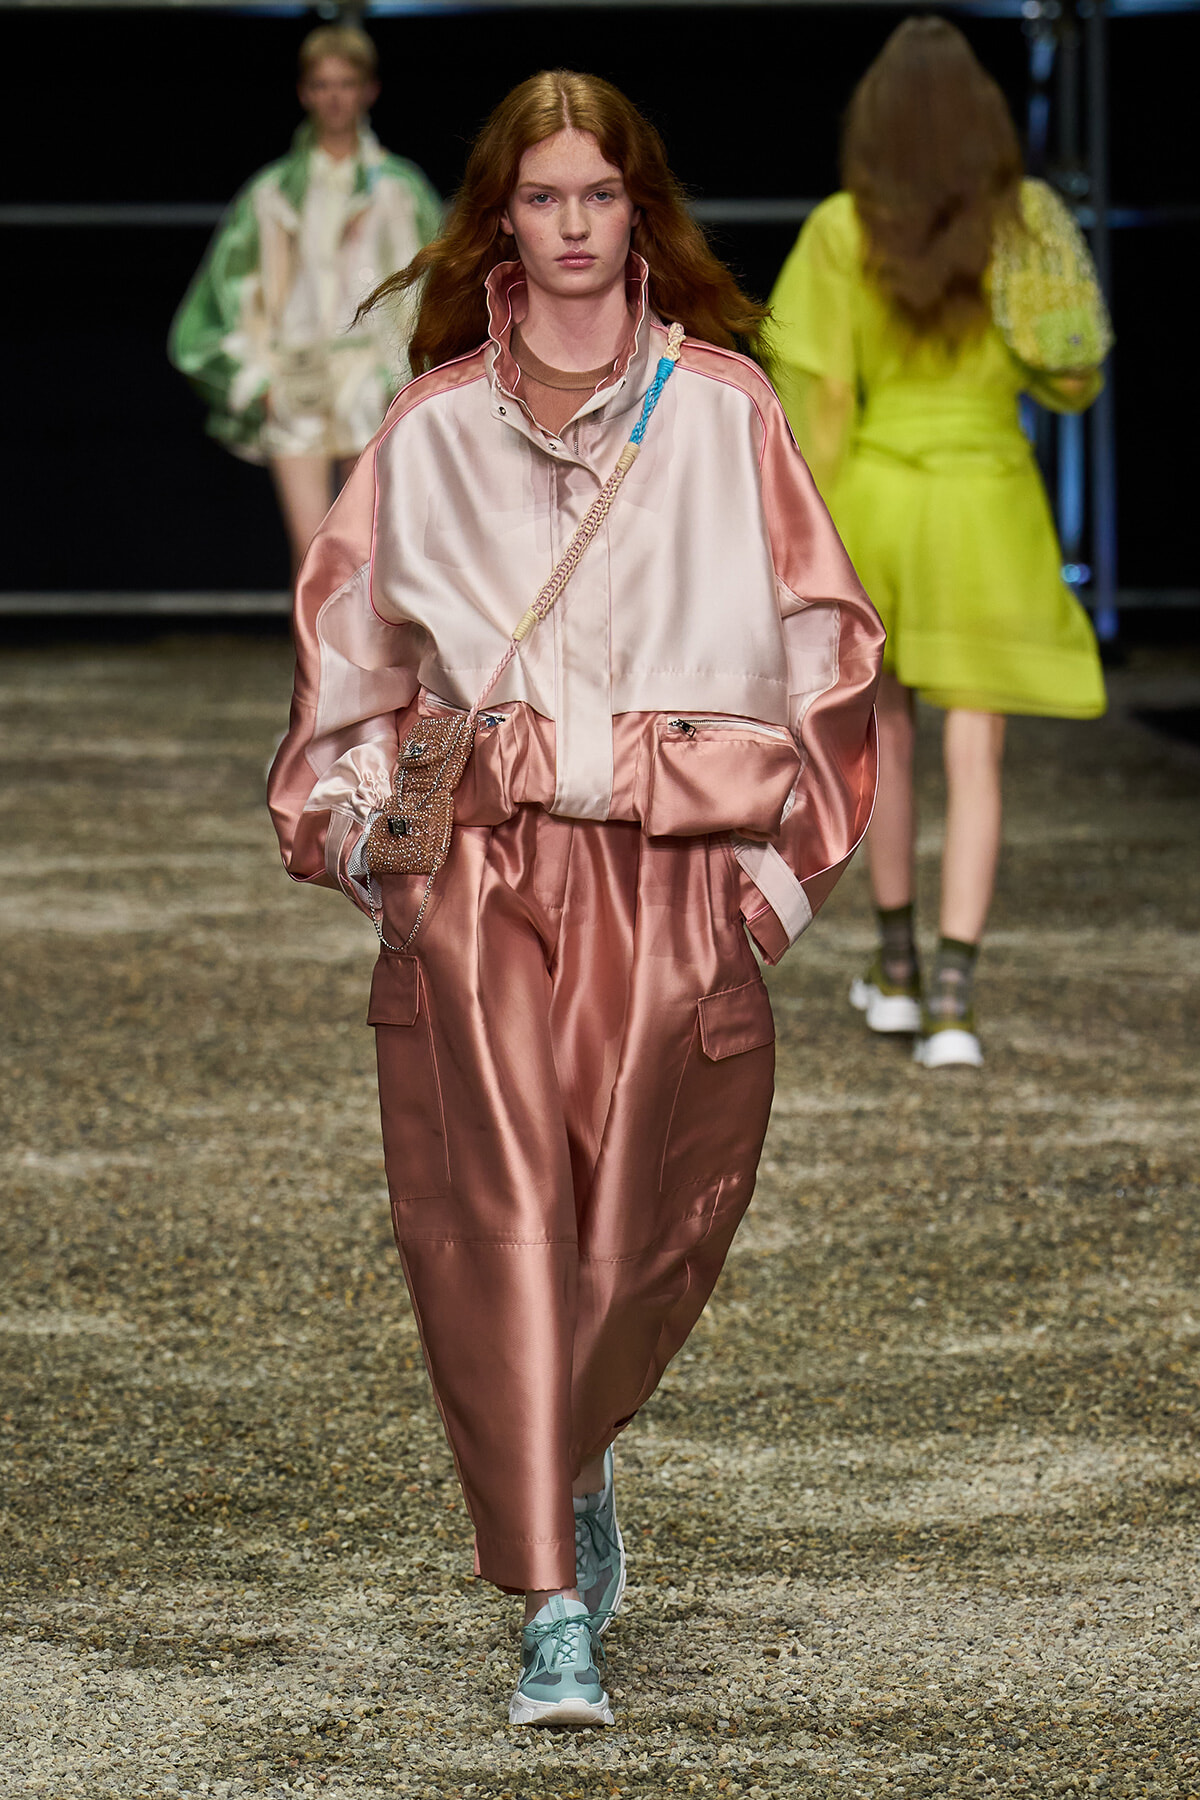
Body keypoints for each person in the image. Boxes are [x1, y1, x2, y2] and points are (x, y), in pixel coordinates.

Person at [268, 69, 882, 1728]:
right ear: (504, 218)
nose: (571, 227)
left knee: (648, 1233)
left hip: (678, 874)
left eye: (597, 197)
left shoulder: (730, 414)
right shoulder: (431, 430)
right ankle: (552, 1604)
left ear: (636, 209)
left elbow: (833, 654)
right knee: (501, 1238)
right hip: (481, 877)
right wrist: (373, 864)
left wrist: (771, 893)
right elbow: (348, 673)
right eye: (541, 199)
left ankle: (577, 1452)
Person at [769, 16, 1108, 1070]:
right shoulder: (1026, 222)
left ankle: (900, 976)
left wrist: (799, 544)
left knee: (891, 739)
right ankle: (956, 999)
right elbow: (1074, 375)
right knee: (979, 747)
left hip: (879, 497)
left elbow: (816, 396)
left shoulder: (841, 226)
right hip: (988, 502)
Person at [168, 24, 442, 576]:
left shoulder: (401, 189)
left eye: (347, 82)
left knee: (367, 557)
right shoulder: (270, 194)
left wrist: (407, 380)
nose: (335, 96)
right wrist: (257, 383)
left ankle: (365, 667)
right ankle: (316, 668)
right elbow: (216, 303)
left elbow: (435, 291)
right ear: (304, 92)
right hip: (294, 380)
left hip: (370, 378)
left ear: (370, 89)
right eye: (322, 83)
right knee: (314, 560)